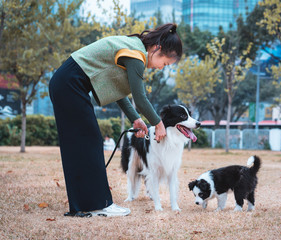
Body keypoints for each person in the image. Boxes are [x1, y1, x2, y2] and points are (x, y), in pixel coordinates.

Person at [49, 23, 182, 217]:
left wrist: (135, 119)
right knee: (90, 141)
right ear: (158, 49)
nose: (162, 67)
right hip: (70, 84)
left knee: (80, 144)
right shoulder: (136, 55)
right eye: (165, 63)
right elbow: (140, 98)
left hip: (65, 83)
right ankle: (99, 205)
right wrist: (158, 123)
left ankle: (82, 206)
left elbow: (117, 91)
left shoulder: (133, 47)